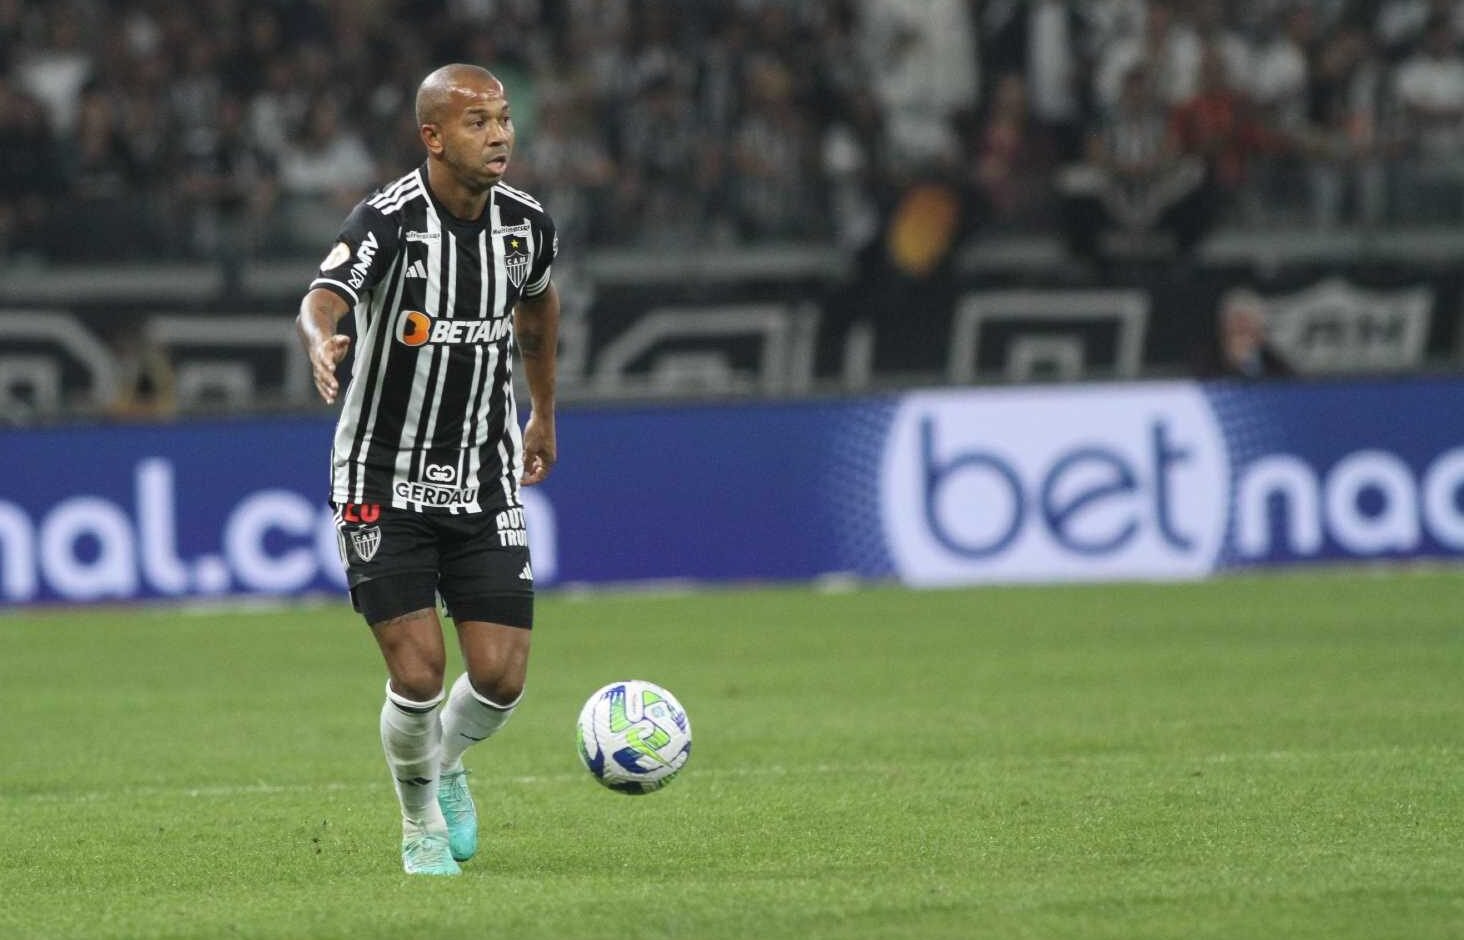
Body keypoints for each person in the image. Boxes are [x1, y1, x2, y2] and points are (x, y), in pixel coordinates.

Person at [294, 63, 559, 876]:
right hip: (381, 476)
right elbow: (324, 295)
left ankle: (446, 763)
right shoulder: (388, 220)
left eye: (504, 118)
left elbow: (538, 307)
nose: (500, 134)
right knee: (418, 673)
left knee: (501, 678)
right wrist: (321, 338)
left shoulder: (527, 226)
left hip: (483, 475)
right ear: (434, 137)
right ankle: (419, 825)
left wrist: (543, 412)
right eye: (479, 122)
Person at [1193, 288, 1296, 380]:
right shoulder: (1204, 362)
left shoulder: (1277, 365)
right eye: (1235, 323)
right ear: (1223, 328)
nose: (1241, 330)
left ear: (1260, 332)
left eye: (1247, 324)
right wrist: (1235, 364)